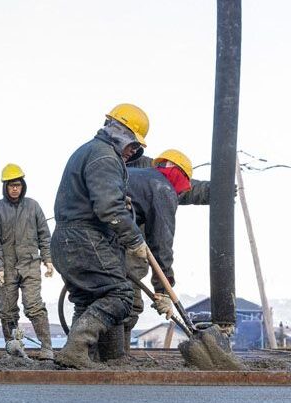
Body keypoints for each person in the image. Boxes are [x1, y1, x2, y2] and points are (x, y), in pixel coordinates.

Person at [51, 103, 149, 369]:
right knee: (121, 294)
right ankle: (76, 348)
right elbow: (109, 208)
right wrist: (135, 240)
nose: (134, 151)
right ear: (121, 133)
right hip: (85, 237)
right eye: (134, 145)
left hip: (66, 239)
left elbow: (98, 197)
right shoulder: (105, 157)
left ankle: (83, 357)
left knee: (87, 299)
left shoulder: (90, 151)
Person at [120, 149, 197, 353]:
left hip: (83, 235)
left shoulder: (137, 177)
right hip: (109, 241)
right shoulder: (162, 188)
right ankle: (115, 355)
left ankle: (106, 353)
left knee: (105, 298)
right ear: (180, 176)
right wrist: (163, 290)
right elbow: (162, 242)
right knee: (126, 301)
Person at [0, 163, 55, 360]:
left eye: (18, 185)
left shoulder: (33, 206)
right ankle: (12, 348)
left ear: (23, 186)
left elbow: (44, 235)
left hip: (30, 264)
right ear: (5, 187)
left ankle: (47, 348)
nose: (15, 189)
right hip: (6, 268)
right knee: (7, 310)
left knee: (34, 305)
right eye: (11, 185)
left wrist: (48, 259)